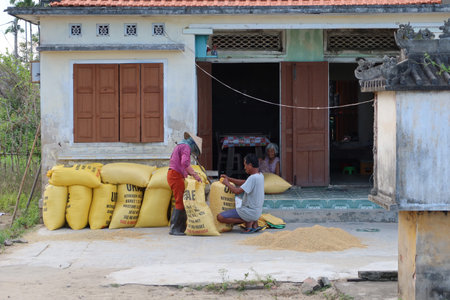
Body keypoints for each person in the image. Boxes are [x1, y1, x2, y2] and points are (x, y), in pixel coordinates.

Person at [217, 153, 265, 233]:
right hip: (257, 212)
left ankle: (249, 221)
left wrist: (227, 183)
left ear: (250, 165)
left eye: (245, 165)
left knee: (220, 217)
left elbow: (237, 191)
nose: (244, 167)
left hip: (249, 212)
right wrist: (229, 179)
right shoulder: (260, 176)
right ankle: (252, 221)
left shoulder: (253, 178)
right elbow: (244, 182)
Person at [167, 132, 203, 236]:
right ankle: (175, 229)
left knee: (181, 200)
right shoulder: (186, 147)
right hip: (175, 175)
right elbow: (185, 163)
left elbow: (181, 164)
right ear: (194, 145)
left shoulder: (181, 145)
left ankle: (180, 227)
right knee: (180, 201)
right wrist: (195, 175)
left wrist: (188, 173)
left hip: (174, 174)